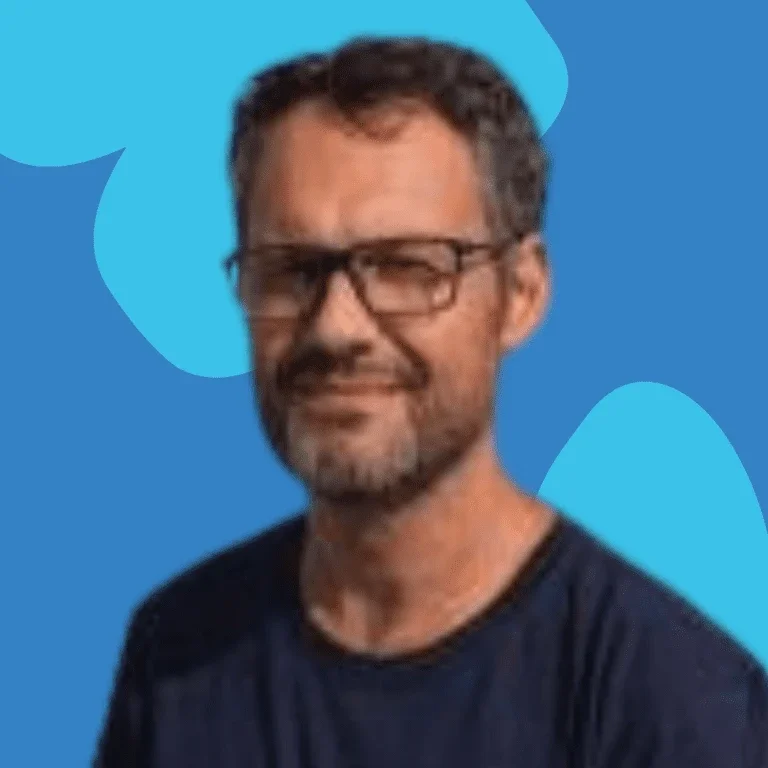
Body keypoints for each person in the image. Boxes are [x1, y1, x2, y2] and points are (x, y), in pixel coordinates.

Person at [94, 36, 768, 767]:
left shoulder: (669, 702)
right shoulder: (178, 657)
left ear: (521, 293)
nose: (336, 326)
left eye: (406, 267)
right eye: (292, 270)